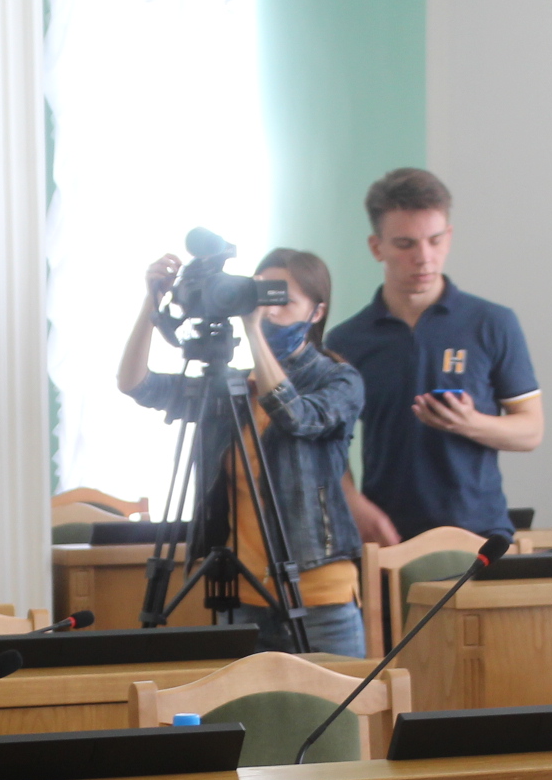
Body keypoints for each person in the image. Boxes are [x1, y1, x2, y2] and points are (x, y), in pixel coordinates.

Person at [119, 246, 367, 656]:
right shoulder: (232, 388)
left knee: (340, 698)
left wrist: (254, 331)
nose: (268, 311)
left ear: (317, 312)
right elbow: (136, 384)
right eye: (259, 295)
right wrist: (152, 303)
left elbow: (295, 416)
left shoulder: (339, 380)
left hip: (319, 598)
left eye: (281, 300)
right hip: (243, 595)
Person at [323, 168, 543, 545]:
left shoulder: (492, 323)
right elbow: (328, 442)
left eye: (435, 240)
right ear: (377, 247)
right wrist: (352, 501)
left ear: (449, 237)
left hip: (481, 534)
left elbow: (531, 431)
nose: (424, 258)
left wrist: (470, 423)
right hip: (388, 538)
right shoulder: (346, 341)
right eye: (405, 244)